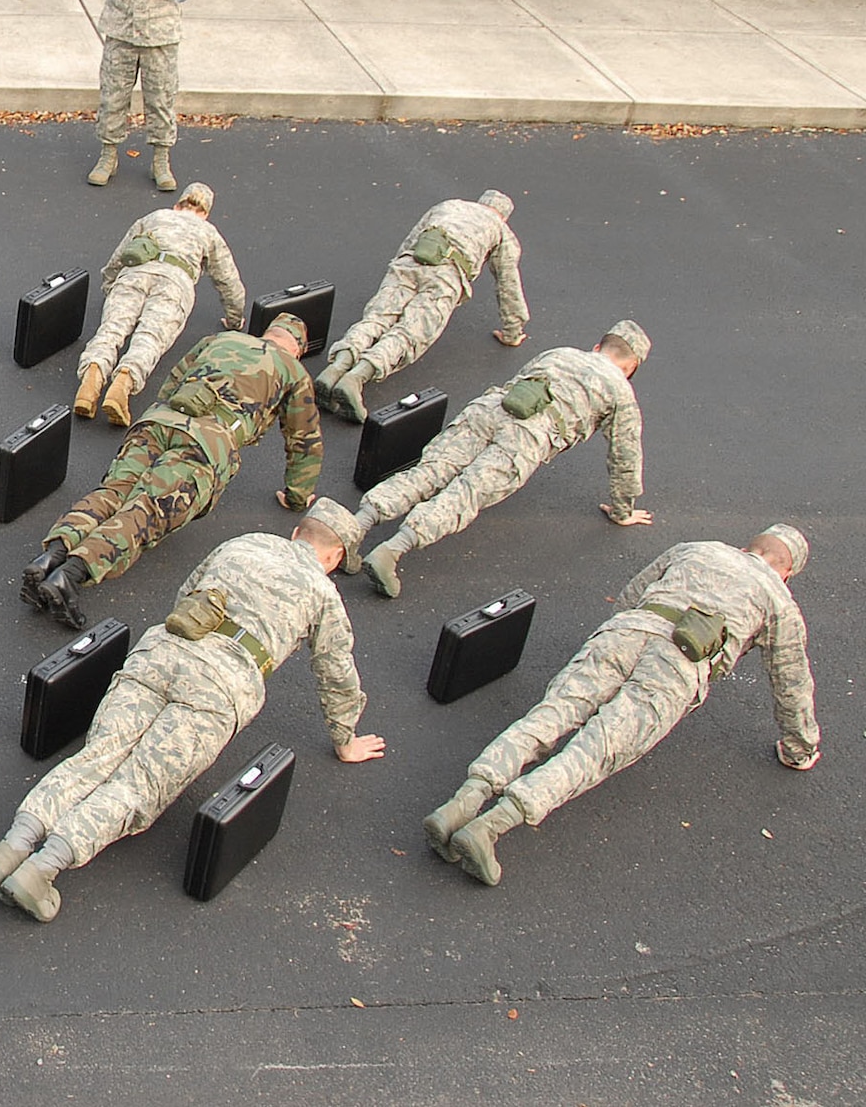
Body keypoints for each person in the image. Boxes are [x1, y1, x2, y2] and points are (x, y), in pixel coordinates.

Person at [0, 501, 385, 923]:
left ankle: (12, 847)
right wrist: (345, 738)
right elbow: (336, 671)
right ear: (336, 556)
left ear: (297, 534)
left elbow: (187, 591)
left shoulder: (244, 543)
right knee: (137, 783)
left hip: (162, 652)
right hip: (218, 688)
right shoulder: (322, 593)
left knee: (97, 755)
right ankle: (40, 871)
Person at [423, 525, 817, 887]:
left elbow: (633, 593)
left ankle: (464, 801)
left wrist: (618, 637)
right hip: (677, 666)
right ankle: (489, 828)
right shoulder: (778, 601)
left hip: (625, 632)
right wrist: (799, 747)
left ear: (748, 545)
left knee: (549, 715)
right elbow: (791, 682)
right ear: (786, 573)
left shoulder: (699, 548)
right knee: (595, 749)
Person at [24, 315, 321, 631]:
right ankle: (71, 575)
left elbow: (173, 381)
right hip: (206, 443)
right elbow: (304, 440)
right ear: (298, 348)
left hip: (158, 423)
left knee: (112, 492)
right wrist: (297, 495)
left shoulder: (218, 339)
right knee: (145, 511)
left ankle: (52, 555)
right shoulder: (293, 371)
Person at [355, 319, 652, 600]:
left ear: (598, 347)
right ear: (631, 367)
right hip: (526, 438)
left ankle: (354, 530)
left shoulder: (561, 353)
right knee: (465, 493)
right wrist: (622, 509)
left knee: (429, 472)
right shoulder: (620, 392)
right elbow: (625, 454)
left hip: (490, 408)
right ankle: (391, 551)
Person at [319, 190, 529, 423]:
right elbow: (508, 284)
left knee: (376, 318)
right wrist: (512, 331)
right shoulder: (501, 231)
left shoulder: (449, 205)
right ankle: (356, 378)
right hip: (446, 276)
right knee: (409, 333)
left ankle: (336, 367)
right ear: (504, 216)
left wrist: (397, 270)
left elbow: (411, 239)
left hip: (410, 261)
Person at [75, 181, 245, 426]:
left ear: (178, 205)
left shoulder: (154, 217)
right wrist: (234, 319)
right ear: (205, 213)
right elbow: (228, 281)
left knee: (111, 329)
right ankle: (122, 384)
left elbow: (118, 258)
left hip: (135, 273)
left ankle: (90, 380)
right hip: (175, 282)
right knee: (151, 336)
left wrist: (110, 287)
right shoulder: (208, 232)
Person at [90, 0, 199, 192]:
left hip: (159, 36)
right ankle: (108, 156)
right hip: (121, 31)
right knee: (113, 97)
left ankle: (161, 161)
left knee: (161, 99)